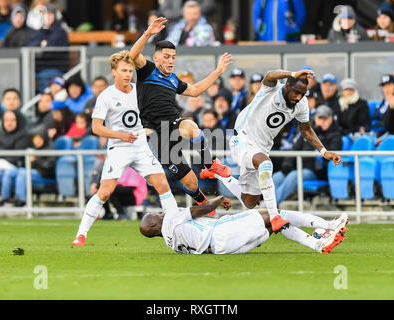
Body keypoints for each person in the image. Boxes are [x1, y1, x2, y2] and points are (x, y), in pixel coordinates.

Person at [206, 69, 342, 233]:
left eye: (303, 94)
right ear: (287, 86)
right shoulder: (271, 89)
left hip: (261, 148)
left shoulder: (302, 104)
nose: (299, 97)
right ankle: (275, 216)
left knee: (249, 202)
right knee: (265, 164)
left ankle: (218, 171)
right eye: (296, 92)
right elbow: (270, 75)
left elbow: (306, 131)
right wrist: (292, 73)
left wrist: (324, 151)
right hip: (241, 139)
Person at [72, 50, 182, 247]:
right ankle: (81, 234)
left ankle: (177, 231)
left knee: (163, 185)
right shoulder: (106, 96)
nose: (128, 74)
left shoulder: (140, 90)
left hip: (140, 147)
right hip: (119, 148)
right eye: (123, 70)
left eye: (130, 70)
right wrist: (121, 135)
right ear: (114, 72)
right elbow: (96, 128)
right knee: (105, 191)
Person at [129, 17, 233, 215]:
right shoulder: (148, 70)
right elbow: (133, 55)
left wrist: (218, 71)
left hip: (174, 123)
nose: (170, 61)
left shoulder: (174, 80)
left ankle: (210, 164)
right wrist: (148, 33)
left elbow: (195, 91)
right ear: (156, 58)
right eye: (166, 56)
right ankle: (203, 202)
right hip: (159, 135)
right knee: (191, 182)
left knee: (192, 127)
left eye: (173, 57)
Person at [139, 195, 348, 254]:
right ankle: (330, 226)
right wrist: (218, 200)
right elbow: (199, 210)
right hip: (221, 233)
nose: (160, 212)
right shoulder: (171, 219)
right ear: (153, 224)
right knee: (275, 214)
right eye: (156, 214)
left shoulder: (169, 242)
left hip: (222, 249)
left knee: (274, 225)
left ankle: (317, 244)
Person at [273, 105, 342, 204]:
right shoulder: (308, 133)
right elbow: (294, 149)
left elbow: (332, 154)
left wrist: (320, 139)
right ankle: (266, 204)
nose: (322, 121)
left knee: (293, 176)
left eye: (325, 119)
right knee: (277, 177)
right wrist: (287, 163)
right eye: (320, 118)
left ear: (331, 119)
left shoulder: (335, 135)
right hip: (298, 168)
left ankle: (270, 207)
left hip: (316, 172)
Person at [1, 130, 56, 207]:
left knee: (22, 174)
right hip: (30, 172)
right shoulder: (33, 149)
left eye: (39, 139)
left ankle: (21, 202)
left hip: (43, 175)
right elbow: (24, 165)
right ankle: (5, 201)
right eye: (35, 139)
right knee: (9, 172)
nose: (37, 141)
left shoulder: (50, 149)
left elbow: (48, 167)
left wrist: (36, 159)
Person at [27, 4, 70, 93]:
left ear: (55, 16)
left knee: (46, 77)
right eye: (46, 14)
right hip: (38, 69)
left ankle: (46, 103)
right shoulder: (39, 32)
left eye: (51, 14)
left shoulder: (61, 32)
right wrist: (42, 46)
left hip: (56, 68)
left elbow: (52, 51)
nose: (48, 17)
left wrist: (41, 49)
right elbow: (30, 47)